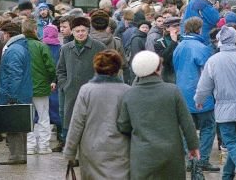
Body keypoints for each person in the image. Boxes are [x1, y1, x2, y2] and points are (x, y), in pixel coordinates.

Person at [117, 50, 200, 180]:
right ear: (157, 69)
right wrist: (193, 146)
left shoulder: (129, 95)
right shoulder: (172, 91)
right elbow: (187, 122)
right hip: (171, 154)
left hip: (143, 155)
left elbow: (123, 126)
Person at [195, 26, 236, 180]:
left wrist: (199, 100)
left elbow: (204, 85)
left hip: (224, 108)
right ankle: (227, 175)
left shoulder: (213, 61)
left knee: (231, 144)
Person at [64, 50, 130, 179]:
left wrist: (70, 152)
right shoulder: (127, 91)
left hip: (92, 150)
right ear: (118, 68)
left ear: (96, 67)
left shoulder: (86, 90)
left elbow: (77, 123)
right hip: (121, 149)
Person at [173, 16, 218, 176]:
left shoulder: (179, 47)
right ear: (199, 29)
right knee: (208, 126)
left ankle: (190, 159)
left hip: (182, 92)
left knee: (187, 128)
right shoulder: (202, 48)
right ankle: (202, 159)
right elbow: (208, 73)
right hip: (200, 93)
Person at [56, 16, 106, 143]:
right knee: (70, 123)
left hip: (93, 94)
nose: (80, 33)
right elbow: (60, 70)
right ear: (72, 32)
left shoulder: (99, 47)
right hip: (71, 92)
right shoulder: (66, 48)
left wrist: (99, 86)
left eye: (83, 30)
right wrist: (65, 85)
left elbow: (105, 68)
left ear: (88, 31)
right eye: (77, 31)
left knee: (91, 124)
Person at [0, 20, 33, 165]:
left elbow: (14, 75)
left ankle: (16, 156)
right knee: (20, 125)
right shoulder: (21, 46)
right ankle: (20, 155)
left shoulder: (13, 50)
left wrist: (12, 96)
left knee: (14, 126)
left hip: (15, 94)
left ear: (7, 34)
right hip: (22, 92)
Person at [23, 19, 57, 155]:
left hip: (23, 88)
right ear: (35, 30)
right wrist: (52, 80)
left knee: (27, 118)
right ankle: (43, 146)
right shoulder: (41, 46)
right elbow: (50, 66)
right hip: (41, 86)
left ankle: (30, 146)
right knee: (43, 117)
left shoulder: (19, 46)